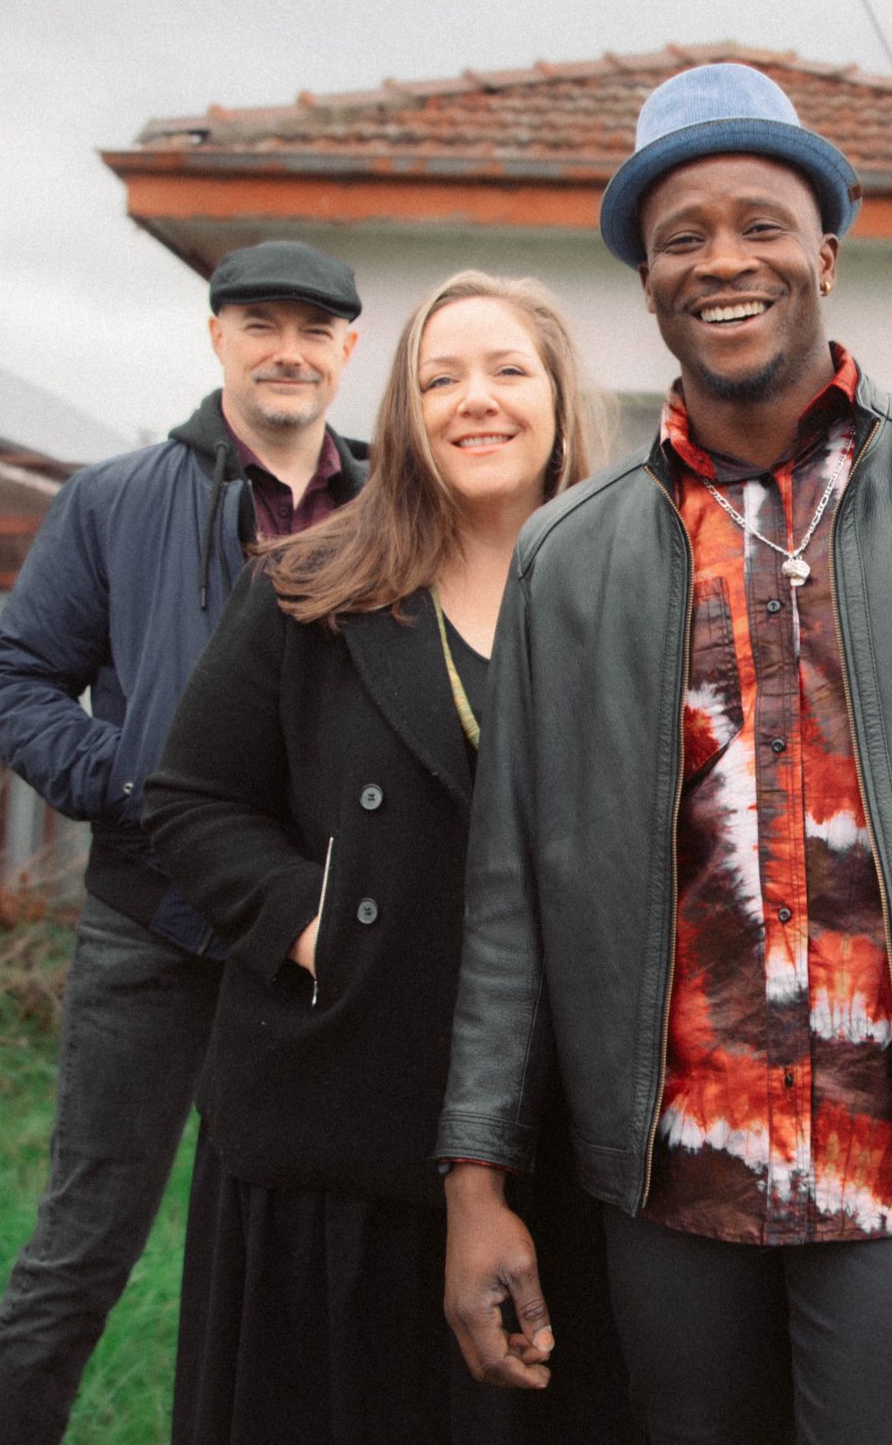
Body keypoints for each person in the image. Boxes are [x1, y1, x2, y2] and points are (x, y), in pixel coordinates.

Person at [432, 61, 892, 1445]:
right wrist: (474, 1179)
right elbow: (515, 881)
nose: (722, 258)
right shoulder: (571, 558)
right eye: (680, 235)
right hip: (672, 1175)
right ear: (646, 280)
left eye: (759, 223)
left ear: (825, 251)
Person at [143, 270, 631, 1444]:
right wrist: (315, 926)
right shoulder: (314, 588)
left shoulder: (634, 602)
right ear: (403, 413)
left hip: (561, 1133)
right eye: (439, 377)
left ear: (562, 401)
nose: (476, 400)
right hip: (337, 1124)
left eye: (508, 371)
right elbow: (191, 801)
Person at [0, 240, 365, 1444]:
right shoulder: (115, 499)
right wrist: (135, 782)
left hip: (315, 935)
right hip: (155, 922)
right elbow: (15, 680)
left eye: (313, 329)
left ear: (347, 349)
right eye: (258, 324)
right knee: (81, 1250)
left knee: (297, 1253)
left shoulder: (395, 505)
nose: (286, 350)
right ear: (217, 338)